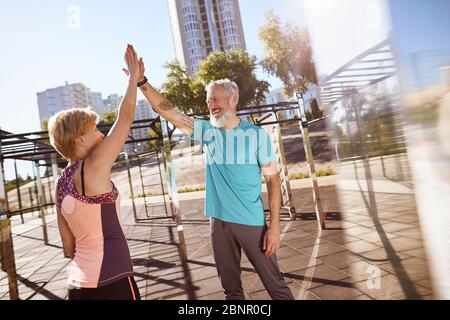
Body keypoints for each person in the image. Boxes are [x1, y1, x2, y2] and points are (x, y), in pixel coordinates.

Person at [136, 59, 294, 300]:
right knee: (231, 292)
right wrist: (141, 82)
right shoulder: (208, 132)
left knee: (276, 286)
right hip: (218, 222)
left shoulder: (255, 135)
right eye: (208, 100)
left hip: (251, 223)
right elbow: (168, 111)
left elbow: (273, 182)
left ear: (233, 100)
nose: (211, 105)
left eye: (216, 99)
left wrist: (273, 226)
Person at [48, 44, 142, 300]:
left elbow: (69, 246)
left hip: (78, 285)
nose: (101, 134)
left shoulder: (61, 182)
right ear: (79, 139)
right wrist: (134, 79)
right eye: (94, 130)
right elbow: (125, 120)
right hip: (111, 281)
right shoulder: (91, 169)